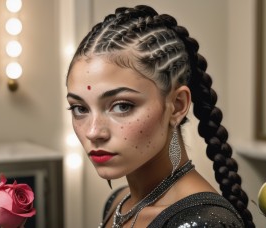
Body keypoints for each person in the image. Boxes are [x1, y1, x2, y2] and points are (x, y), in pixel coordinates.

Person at [66, 5, 255, 228]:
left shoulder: (202, 222)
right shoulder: (118, 202)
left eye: (122, 106)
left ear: (176, 105)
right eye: (80, 108)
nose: (93, 132)